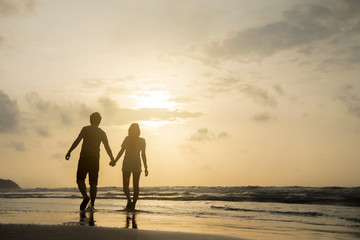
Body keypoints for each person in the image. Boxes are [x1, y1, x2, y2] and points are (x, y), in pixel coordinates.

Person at [65, 112, 114, 211]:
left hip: (84, 157)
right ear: (99, 121)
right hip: (95, 159)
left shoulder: (85, 129)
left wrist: (69, 151)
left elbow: (77, 140)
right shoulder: (102, 132)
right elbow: (107, 147)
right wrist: (112, 158)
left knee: (80, 179)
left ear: (90, 120)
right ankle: (92, 204)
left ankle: (85, 196)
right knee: (93, 183)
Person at [110, 123, 148, 210]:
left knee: (125, 185)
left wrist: (115, 161)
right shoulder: (142, 140)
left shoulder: (127, 139)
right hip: (136, 165)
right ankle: (133, 204)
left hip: (127, 164)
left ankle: (129, 199)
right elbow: (143, 155)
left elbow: (121, 151)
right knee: (136, 186)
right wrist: (146, 167)